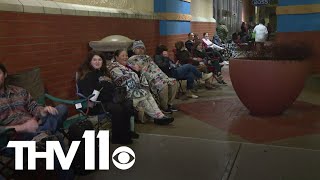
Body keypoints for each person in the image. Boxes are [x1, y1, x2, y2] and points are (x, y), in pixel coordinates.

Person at [0, 63, 73, 179]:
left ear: (5, 75)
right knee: (53, 140)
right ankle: (45, 134)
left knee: (61, 109)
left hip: (36, 125)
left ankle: (43, 133)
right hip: (13, 137)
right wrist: (24, 127)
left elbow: (33, 107)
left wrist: (43, 110)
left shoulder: (20, 91)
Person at [77, 51, 137, 144]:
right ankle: (117, 137)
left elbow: (111, 87)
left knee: (128, 103)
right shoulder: (86, 76)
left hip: (108, 99)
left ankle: (126, 132)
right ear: (90, 62)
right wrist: (102, 85)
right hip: (94, 104)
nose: (97, 62)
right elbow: (91, 96)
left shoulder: (103, 72)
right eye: (94, 60)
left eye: (99, 60)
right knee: (117, 108)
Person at [108, 49, 174, 125]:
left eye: (126, 55)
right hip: (124, 92)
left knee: (147, 93)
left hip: (135, 88)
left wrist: (137, 71)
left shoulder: (128, 65)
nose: (125, 57)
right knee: (143, 96)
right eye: (122, 56)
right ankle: (157, 117)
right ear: (116, 57)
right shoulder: (114, 67)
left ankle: (160, 115)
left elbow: (137, 75)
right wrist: (134, 75)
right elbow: (122, 80)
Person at [129, 40, 178, 113]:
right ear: (134, 50)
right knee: (164, 86)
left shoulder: (147, 57)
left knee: (174, 82)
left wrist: (163, 77)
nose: (140, 50)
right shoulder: (132, 59)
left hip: (158, 76)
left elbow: (155, 68)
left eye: (142, 48)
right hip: (148, 79)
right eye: (138, 48)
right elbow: (138, 71)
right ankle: (164, 107)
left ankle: (169, 104)